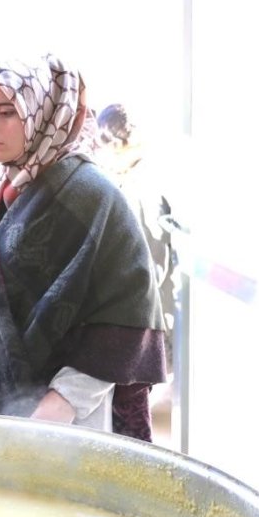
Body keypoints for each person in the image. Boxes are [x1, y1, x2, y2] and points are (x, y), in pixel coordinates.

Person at [0, 54, 167, 441]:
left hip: (58, 427)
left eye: (6, 112)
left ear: (45, 113)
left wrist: (63, 401)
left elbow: (126, 318)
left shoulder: (93, 199)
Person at [96, 103, 177, 374]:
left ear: (118, 144)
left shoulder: (142, 187)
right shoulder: (128, 181)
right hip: (142, 319)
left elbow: (152, 266)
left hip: (145, 321)